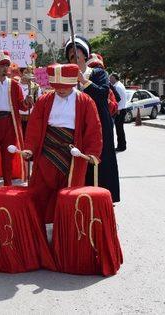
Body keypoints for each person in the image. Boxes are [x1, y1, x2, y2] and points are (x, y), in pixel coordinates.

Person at [22, 64, 102, 223]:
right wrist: (30, 148)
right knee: (40, 194)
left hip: (73, 155)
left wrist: (93, 152)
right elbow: (34, 127)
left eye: (64, 87)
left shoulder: (85, 101)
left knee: (68, 197)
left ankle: (64, 235)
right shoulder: (44, 99)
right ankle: (41, 234)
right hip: (47, 152)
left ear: (72, 83)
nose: (61, 90)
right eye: (57, 87)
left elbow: (94, 128)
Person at [65, 37, 120, 203]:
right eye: (71, 56)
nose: (75, 58)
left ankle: (103, 198)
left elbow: (103, 94)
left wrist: (83, 81)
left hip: (100, 122)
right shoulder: (67, 77)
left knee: (101, 160)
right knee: (80, 159)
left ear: (85, 55)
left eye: (78, 54)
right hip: (77, 123)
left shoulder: (98, 73)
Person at [0, 51, 33, 186]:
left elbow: (23, 106)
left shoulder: (14, 85)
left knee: (9, 154)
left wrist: (28, 101)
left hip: (10, 123)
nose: (4, 68)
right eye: (1, 65)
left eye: (6, 65)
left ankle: (7, 184)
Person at [19, 67, 42, 134]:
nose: (28, 75)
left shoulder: (36, 87)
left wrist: (33, 101)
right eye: (26, 73)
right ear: (20, 73)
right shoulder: (15, 85)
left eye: (30, 73)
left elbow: (38, 104)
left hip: (31, 118)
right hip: (18, 119)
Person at [109, 73, 128, 152]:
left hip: (120, 110)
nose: (110, 80)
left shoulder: (117, 86)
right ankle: (122, 145)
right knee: (120, 129)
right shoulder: (120, 85)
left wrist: (118, 110)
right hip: (122, 109)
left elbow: (119, 100)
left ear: (115, 78)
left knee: (119, 129)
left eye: (111, 78)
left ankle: (121, 146)